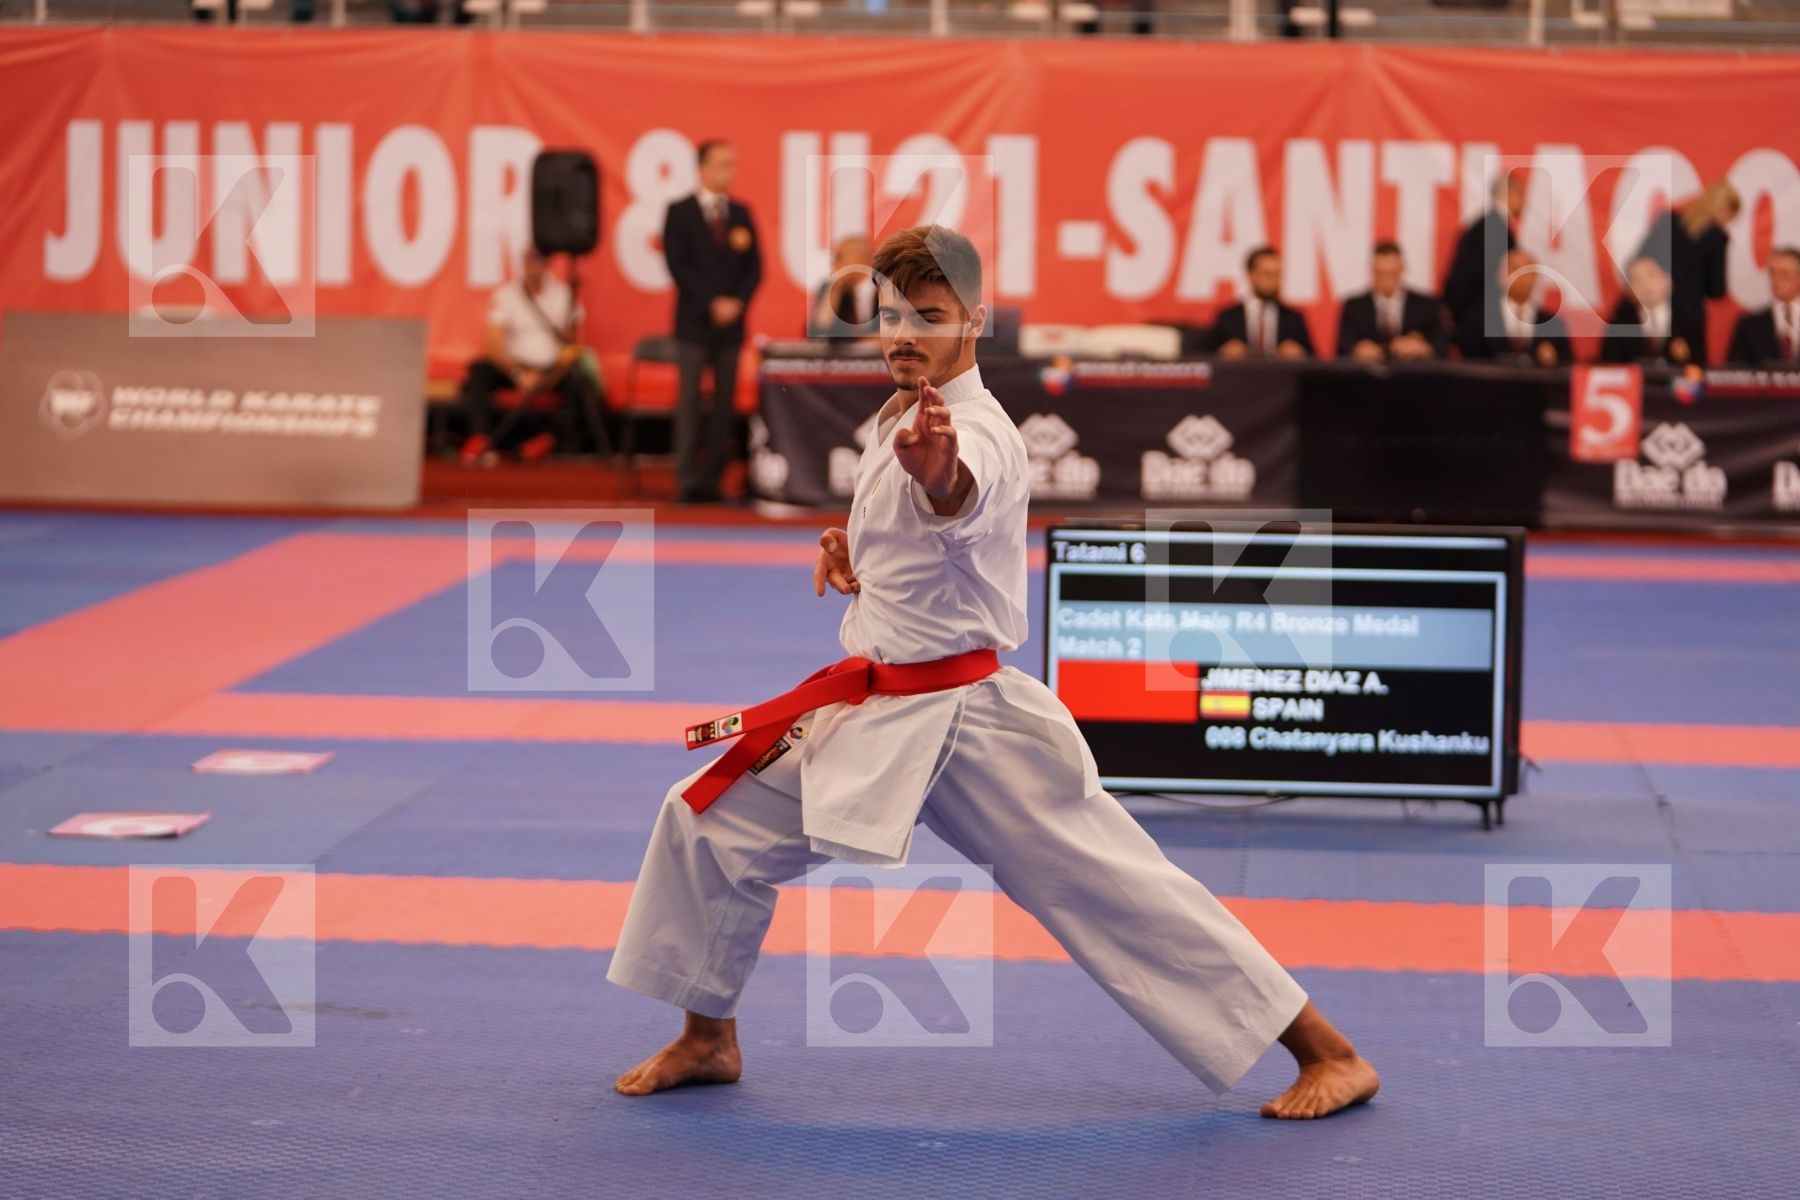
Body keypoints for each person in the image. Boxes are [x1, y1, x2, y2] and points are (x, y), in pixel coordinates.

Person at [608, 224, 1381, 1122]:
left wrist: (940, 478)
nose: (903, 332)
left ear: (975, 320)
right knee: (705, 822)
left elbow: (959, 494)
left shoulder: (974, 432)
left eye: (928, 316)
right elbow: (929, 547)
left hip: (969, 721)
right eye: (892, 314)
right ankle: (708, 1037)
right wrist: (858, 551)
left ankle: (1332, 1053)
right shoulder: (901, 411)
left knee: (1118, 888)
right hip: (876, 705)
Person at [663, 139, 764, 502]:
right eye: (721, 164)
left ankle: (714, 479)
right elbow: (679, 265)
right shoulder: (680, 212)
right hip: (693, 322)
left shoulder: (740, 214)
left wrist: (736, 302)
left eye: (732, 164)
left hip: (731, 326)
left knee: (724, 404)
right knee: (689, 402)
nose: (729, 171)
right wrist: (711, 302)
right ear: (702, 168)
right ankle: (688, 479)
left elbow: (755, 268)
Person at [460, 246, 607, 466]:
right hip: (515, 367)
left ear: (547, 264)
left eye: (538, 261)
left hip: (552, 369)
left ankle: (549, 439)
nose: (533, 267)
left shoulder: (564, 295)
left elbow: (576, 345)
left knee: (584, 385)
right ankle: (480, 436)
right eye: (529, 260)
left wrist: (550, 376)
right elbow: (494, 344)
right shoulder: (506, 295)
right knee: (478, 370)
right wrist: (518, 373)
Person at [1634, 180, 1737, 365]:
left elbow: (1640, 261)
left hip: (1652, 311)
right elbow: (1717, 290)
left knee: (1647, 368)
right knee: (1690, 379)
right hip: (1689, 319)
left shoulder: (1668, 221)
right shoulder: (1716, 236)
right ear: (1724, 210)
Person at [1442, 170, 1525, 338]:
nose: (1525, 201)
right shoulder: (1494, 228)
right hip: (1481, 323)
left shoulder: (1490, 225)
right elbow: (1476, 276)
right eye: (1522, 193)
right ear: (1509, 193)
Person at [1457, 248, 1573, 367]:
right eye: (1514, 269)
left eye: (1527, 271)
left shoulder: (1553, 325)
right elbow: (1468, 359)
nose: (1520, 276)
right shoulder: (1479, 318)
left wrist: (1552, 361)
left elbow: (1567, 368)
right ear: (1500, 276)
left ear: (1536, 277)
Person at [1336, 242, 1447, 363]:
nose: (1386, 280)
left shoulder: (1426, 305)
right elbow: (1342, 349)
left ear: (1402, 269)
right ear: (1372, 271)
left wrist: (1422, 349)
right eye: (1380, 273)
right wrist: (1357, 350)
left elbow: (1441, 347)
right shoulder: (1354, 307)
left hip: (1414, 377)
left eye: (1392, 273)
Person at [1205, 246, 1315, 360]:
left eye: (1277, 274)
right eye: (1266, 273)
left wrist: (1300, 354)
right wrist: (1222, 354)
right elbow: (1202, 359)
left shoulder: (1293, 318)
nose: (1273, 280)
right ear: (1250, 275)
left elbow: (1315, 365)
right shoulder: (1228, 317)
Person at [1600, 255, 1702, 367]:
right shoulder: (1620, 323)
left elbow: (1701, 366)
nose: (1645, 284)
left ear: (1667, 279)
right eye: (1636, 280)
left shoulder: (1688, 320)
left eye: (1651, 275)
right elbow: (1609, 367)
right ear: (1628, 290)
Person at [1725, 245, 1800, 367]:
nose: (1776, 280)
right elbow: (1734, 374)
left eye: (1784, 274)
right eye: (1772, 274)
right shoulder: (1749, 325)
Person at [807, 234, 879, 341]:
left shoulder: (883, 287)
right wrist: (836, 288)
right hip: (840, 356)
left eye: (841, 258)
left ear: (864, 259)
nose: (835, 264)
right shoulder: (830, 288)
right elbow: (819, 330)